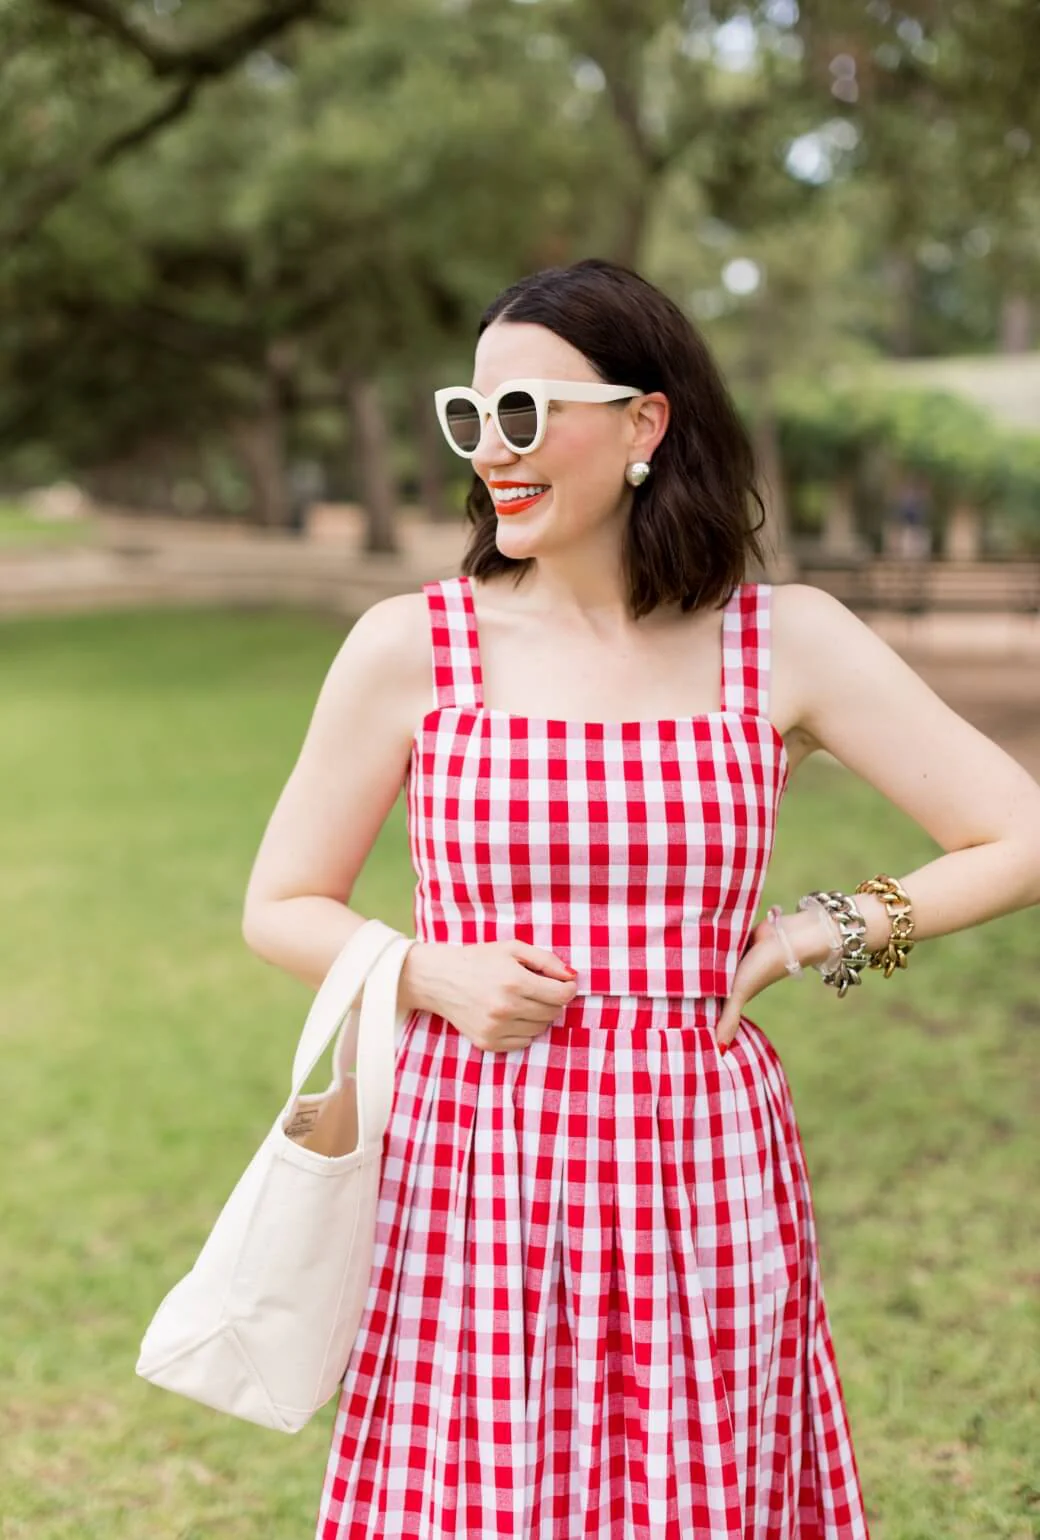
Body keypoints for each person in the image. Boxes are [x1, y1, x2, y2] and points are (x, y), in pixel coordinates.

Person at [240, 258, 1040, 1540]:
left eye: (523, 413)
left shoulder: (782, 641)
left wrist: (812, 932)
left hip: (699, 1155)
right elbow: (281, 899)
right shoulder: (411, 644)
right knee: (483, 1493)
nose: (490, 449)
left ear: (642, 425)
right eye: (470, 414)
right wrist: (426, 969)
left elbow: (1016, 833)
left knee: (695, 1482)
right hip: (475, 1154)